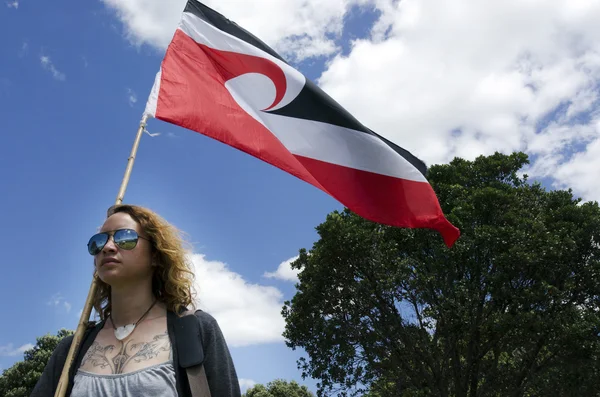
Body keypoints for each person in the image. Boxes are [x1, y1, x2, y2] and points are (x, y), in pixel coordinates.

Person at [31, 204, 241, 397]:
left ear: (156, 255)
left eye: (125, 238)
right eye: (99, 241)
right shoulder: (71, 350)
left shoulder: (196, 330)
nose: (108, 247)